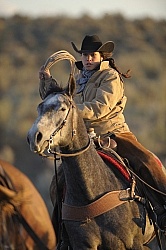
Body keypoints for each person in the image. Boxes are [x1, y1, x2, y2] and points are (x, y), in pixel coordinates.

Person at [39, 35, 166, 233]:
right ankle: (61, 231)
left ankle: (162, 208)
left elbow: (100, 108)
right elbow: (61, 101)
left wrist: (71, 111)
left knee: (148, 163)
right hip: (85, 139)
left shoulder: (110, 77)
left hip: (114, 133)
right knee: (59, 182)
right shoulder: (79, 78)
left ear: (102, 56)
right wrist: (48, 82)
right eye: (84, 55)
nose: (88, 59)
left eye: (92, 55)